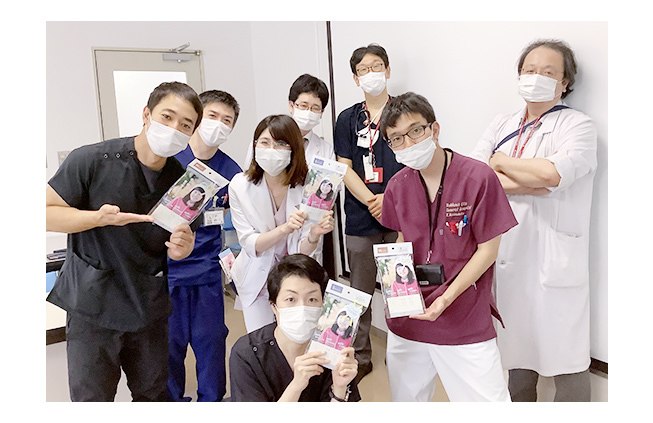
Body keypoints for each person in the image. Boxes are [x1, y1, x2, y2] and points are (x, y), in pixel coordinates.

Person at [45, 81, 201, 401]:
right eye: (167, 117)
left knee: (153, 395)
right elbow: (45, 213)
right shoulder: (91, 160)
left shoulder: (183, 182)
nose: (174, 129)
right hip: (93, 305)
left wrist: (183, 248)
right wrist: (97, 218)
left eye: (185, 125)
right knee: (92, 399)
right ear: (146, 114)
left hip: (147, 306)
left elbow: (180, 242)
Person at [470, 39, 597, 402]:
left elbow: (553, 174)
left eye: (548, 72)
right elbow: (477, 177)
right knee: (517, 355)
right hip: (508, 256)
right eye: (530, 70)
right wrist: (533, 182)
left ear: (564, 83)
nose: (536, 77)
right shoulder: (503, 123)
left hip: (553, 261)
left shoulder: (578, 125)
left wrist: (501, 162)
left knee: (568, 361)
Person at [379, 92, 517, 401]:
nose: (408, 143)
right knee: (408, 403)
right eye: (397, 138)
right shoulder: (397, 186)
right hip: (409, 319)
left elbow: (488, 250)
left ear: (434, 129)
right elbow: (402, 240)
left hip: (462, 316)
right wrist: (395, 290)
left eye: (416, 130)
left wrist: (445, 298)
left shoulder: (478, 178)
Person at [166, 90, 243, 402]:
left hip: (207, 271)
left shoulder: (232, 172)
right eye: (213, 116)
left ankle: (212, 401)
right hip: (168, 270)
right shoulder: (170, 160)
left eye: (227, 120)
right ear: (197, 117)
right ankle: (170, 401)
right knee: (169, 342)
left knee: (210, 341)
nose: (219, 125)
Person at [334, 43, 404, 381]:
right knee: (357, 292)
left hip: (401, 215)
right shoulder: (347, 119)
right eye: (363, 69)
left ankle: (402, 352)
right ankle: (360, 357)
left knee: (400, 289)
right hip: (361, 216)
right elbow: (343, 167)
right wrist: (372, 201)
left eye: (377, 66)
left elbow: (416, 161)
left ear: (387, 70)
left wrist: (389, 200)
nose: (371, 73)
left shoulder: (405, 111)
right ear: (355, 78)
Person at [229, 115, 335, 333]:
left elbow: (302, 250)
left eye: (280, 144)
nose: (271, 150)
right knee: (260, 340)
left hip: (294, 278)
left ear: (294, 148)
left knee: (294, 337)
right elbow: (250, 243)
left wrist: (314, 234)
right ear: (255, 146)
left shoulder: (309, 187)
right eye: (264, 142)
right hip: (255, 276)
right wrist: (285, 228)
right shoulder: (240, 185)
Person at [229, 254, 360, 402]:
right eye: (291, 299)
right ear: (274, 306)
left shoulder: (332, 349)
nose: (302, 308)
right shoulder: (247, 354)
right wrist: (296, 386)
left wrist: (340, 389)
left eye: (312, 299)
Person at [244, 74, 335, 266]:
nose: (308, 112)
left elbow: (326, 193)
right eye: (303, 105)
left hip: (304, 237)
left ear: (321, 113)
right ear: (291, 105)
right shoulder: (265, 141)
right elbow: (251, 183)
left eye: (315, 108)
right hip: (265, 239)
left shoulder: (324, 150)